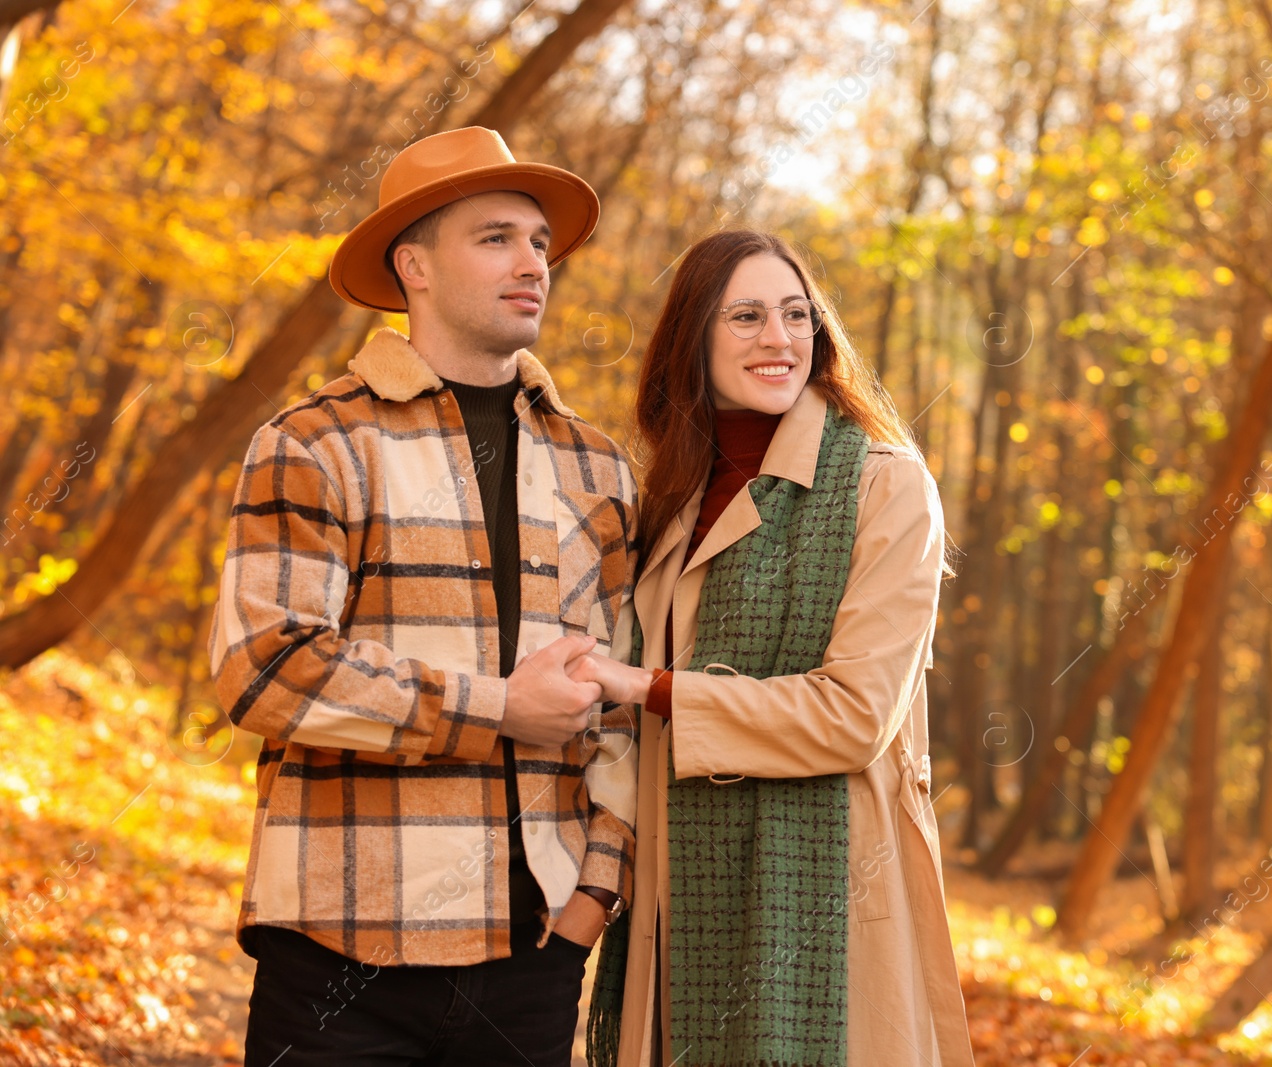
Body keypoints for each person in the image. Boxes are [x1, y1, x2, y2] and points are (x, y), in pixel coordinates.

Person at [208, 126, 639, 1066]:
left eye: (538, 241)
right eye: (495, 238)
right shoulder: (316, 442)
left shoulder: (597, 466)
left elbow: (622, 702)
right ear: (415, 265)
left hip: (533, 963)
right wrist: (499, 709)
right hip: (336, 949)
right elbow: (265, 669)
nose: (532, 261)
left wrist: (594, 891)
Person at [578, 230, 974, 1066]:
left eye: (798, 315)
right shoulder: (670, 500)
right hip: (677, 903)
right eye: (748, 316)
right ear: (695, 339)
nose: (780, 338)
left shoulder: (884, 483)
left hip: (827, 905)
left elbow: (854, 715)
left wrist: (650, 688)